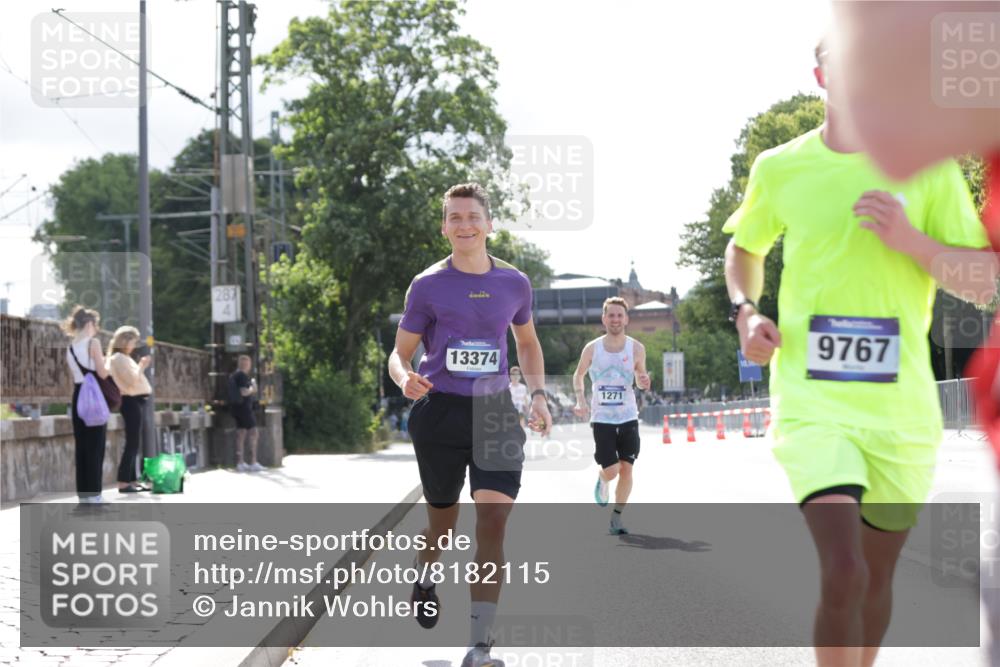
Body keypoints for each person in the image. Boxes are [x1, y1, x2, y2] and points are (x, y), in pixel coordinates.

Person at [723, 38, 997, 667]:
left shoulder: (929, 168)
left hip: (901, 415)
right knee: (842, 568)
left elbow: (982, 281)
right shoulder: (780, 167)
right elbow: (745, 246)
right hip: (812, 400)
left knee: (875, 580)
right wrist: (746, 311)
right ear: (821, 74)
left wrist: (911, 241)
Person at [388, 182, 552, 667]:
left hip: (495, 411)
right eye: (454, 218)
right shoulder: (427, 285)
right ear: (444, 227)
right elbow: (399, 354)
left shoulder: (515, 283)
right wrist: (404, 379)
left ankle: (481, 641)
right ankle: (424, 570)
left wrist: (538, 395)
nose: (464, 225)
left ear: (489, 223)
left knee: (493, 522)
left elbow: (527, 343)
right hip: (439, 412)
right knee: (442, 524)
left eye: (472, 216)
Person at [572, 297, 651, 535]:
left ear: (626, 319)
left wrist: (644, 380)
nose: (615, 319)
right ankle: (602, 478)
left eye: (619, 315)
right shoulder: (592, 348)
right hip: (602, 418)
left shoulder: (637, 348)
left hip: (628, 416)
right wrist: (580, 400)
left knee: (627, 468)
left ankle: (617, 517)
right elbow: (578, 375)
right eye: (611, 315)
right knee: (612, 470)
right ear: (604, 319)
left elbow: (640, 378)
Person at [62, 306, 111, 505]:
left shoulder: (71, 347)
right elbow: (102, 373)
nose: (97, 329)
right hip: (94, 397)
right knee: (96, 446)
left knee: (82, 446)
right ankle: (95, 494)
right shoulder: (94, 343)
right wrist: (108, 363)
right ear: (90, 324)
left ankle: (83, 495)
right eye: (96, 325)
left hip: (78, 397)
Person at [105, 326, 152, 493]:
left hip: (133, 401)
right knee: (132, 442)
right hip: (130, 401)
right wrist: (142, 366)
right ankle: (124, 482)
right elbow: (132, 380)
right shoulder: (119, 358)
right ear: (124, 341)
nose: (133, 345)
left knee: (134, 442)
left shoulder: (122, 357)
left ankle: (131, 480)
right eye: (132, 341)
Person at [228, 355, 262, 472]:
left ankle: (240, 463)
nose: (248, 366)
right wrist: (253, 388)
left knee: (241, 434)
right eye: (248, 363)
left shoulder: (234, 375)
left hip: (236, 409)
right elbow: (244, 392)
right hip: (244, 409)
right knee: (254, 432)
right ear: (245, 364)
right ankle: (253, 462)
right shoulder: (242, 376)